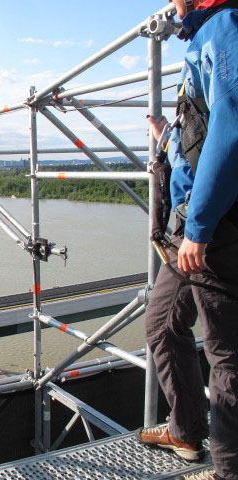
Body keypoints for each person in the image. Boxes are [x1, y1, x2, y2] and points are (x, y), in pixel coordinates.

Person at [136, 1, 238, 479]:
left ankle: (229, 470)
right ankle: (186, 429)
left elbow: (231, 127)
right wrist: (168, 135)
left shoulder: (226, 26)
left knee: (226, 357)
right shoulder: (205, 35)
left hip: (213, 228)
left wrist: (199, 227)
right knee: (160, 323)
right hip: (189, 227)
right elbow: (202, 132)